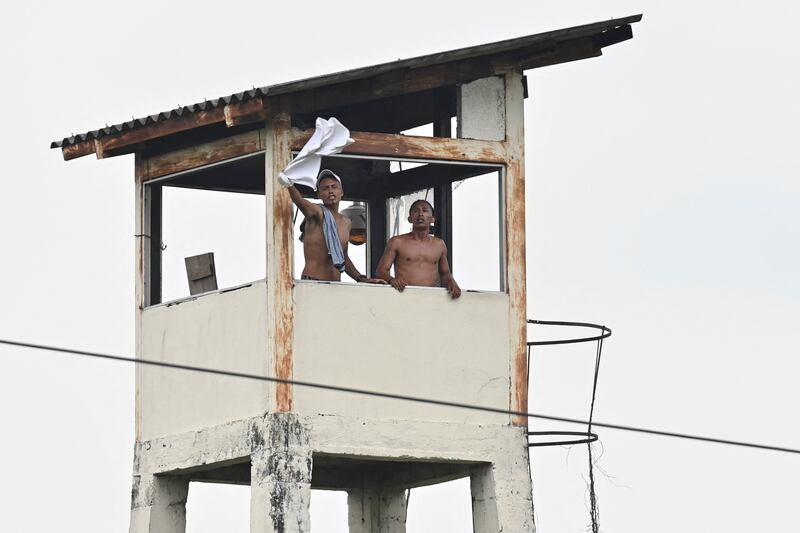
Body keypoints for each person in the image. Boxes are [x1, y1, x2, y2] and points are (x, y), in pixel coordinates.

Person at [285, 169, 385, 284]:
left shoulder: (346, 222)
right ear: (319, 195)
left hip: (336, 285)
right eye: (325, 188)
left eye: (334, 187)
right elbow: (301, 202)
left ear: (341, 192)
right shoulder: (316, 213)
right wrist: (289, 183)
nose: (330, 191)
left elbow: (343, 257)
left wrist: (361, 278)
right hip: (313, 283)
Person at [376, 199, 461, 298]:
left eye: (425, 210)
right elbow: (381, 270)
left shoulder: (439, 244)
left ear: (432, 219)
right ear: (410, 219)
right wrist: (392, 280)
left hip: (431, 297)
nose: (420, 214)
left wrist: (452, 283)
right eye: (416, 211)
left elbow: (445, 273)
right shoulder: (397, 242)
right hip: (403, 295)